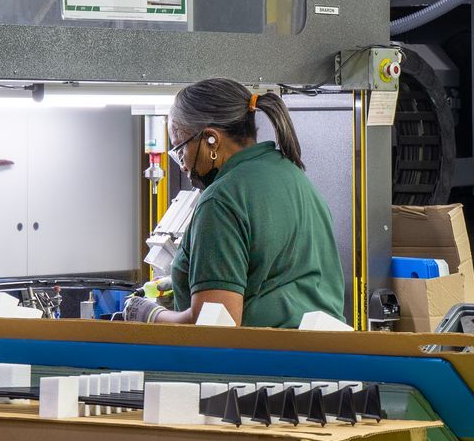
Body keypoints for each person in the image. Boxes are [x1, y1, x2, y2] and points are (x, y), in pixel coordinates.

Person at [122, 77, 345, 328]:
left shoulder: (221, 199)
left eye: (180, 148)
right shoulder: (292, 176)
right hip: (323, 355)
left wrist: (150, 315)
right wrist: (188, 282)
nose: (182, 163)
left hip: (260, 361)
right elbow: (279, 275)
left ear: (211, 140)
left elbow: (215, 326)